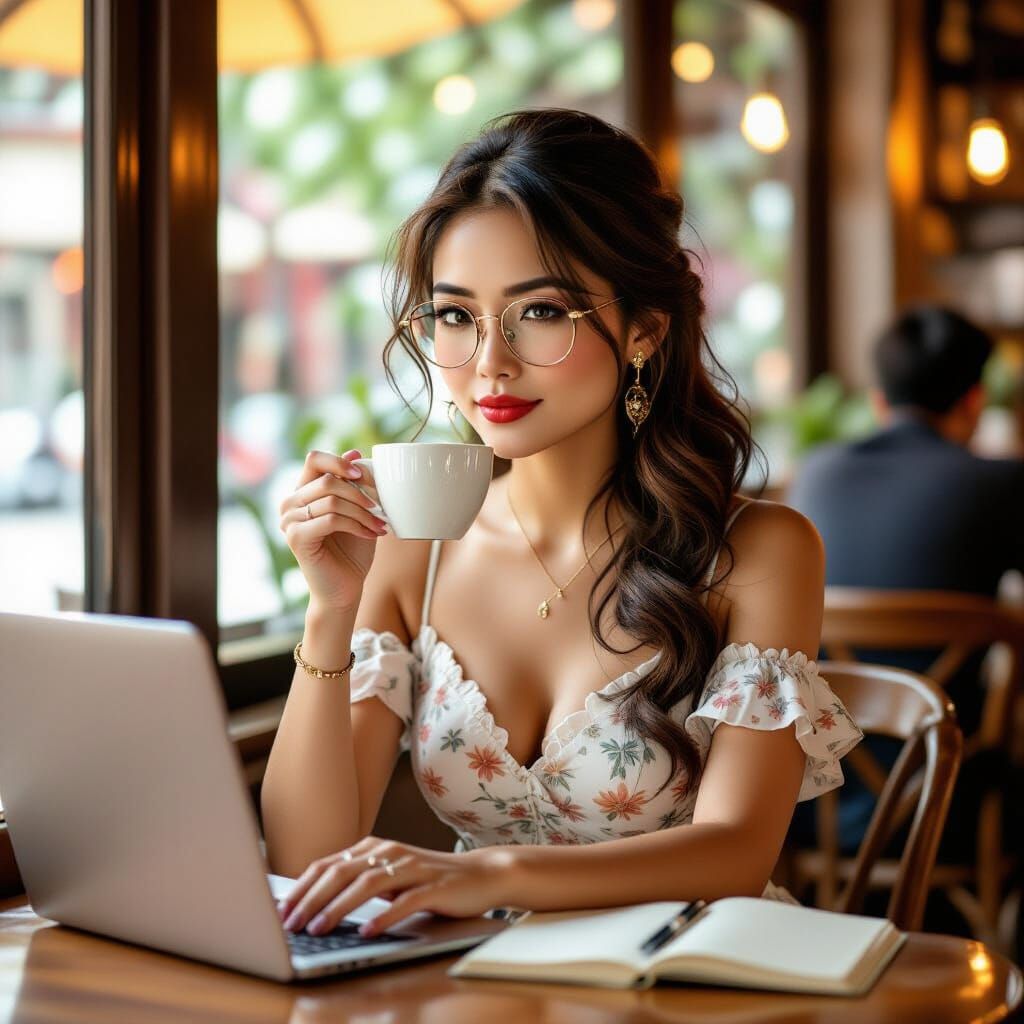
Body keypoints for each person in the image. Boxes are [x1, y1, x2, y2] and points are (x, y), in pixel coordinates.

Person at [262, 108, 862, 941]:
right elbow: (307, 855)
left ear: (644, 330)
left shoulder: (758, 552)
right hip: (479, 987)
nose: (490, 362)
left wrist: (483, 874)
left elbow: (735, 854)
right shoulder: (413, 553)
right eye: (455, 316)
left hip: (691, 981)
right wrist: (329, 612)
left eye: (540, 312)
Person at [786, 306, 1024, 862]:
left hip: (809, 794)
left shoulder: (816, 472)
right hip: (950, 797)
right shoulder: (1003, 483)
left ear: (877, 402)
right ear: (974, 402)